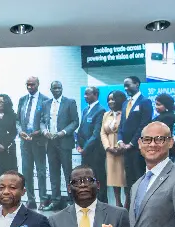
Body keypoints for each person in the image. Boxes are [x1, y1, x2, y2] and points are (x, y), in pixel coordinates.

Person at [40, 81, 79, 211]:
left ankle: (71, 200)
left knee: (68, 172)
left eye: (59, 88)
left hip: (64, 142)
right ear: (50, 90)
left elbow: (75, 122)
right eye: (54, 88)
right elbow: (42, 121)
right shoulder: (46, 104)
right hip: (50, 143)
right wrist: (45, 131)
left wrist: (63, 132)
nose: (57, 90)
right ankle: (55, 201)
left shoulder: (70, 102)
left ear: (62, 89)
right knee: (53, 173)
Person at [117, 76, 153, 206]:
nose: (126, 88)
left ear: (137, 84)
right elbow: (122, 125)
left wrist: (131, 143)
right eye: (124, 86)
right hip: (125, 148)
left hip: (137, 148)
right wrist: (120, 141)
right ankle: (131, 206)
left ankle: (142, 206)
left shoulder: (145, 102)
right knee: (129, 179)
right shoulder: (125, 103)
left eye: (128, 85)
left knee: (139, 177)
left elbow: (144, 125)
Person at [16, 77, 50, 209]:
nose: (30, 87)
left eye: (32, 84)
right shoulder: (22, 100)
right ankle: (31, 199)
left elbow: (47, 120)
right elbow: (17, 120)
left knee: (41, 172)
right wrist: (20, 132)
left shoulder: (46, 100)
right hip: (25, 142)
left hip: (39, 141)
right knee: (27, 172)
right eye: (28, 85)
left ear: (38, 84)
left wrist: (39, 132)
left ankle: (43, 199)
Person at [77, 87, 107, 203]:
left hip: (95, 151)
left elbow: (96, 134)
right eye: (84, 94)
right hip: (85, 151)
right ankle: (90, 200)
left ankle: (102, 201)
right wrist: (79, 145)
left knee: (98, 177)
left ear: (95, 95)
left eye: (87, 94)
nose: (85, 96)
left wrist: (85, 148)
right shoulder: (85, 110)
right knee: (86, 177)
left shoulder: (100, 110)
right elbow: (81, 130)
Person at [101, 90, 128, 207]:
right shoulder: (106, 115)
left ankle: (128, 202)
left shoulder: (126, 113)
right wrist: (108, 147)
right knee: (113, 178)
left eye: (113, 99)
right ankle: (118, 202)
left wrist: (121, 147)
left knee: (126, 177)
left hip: (124, 149)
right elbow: (103, 133)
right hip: (110, 151)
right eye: (109, 99)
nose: (110, 102)